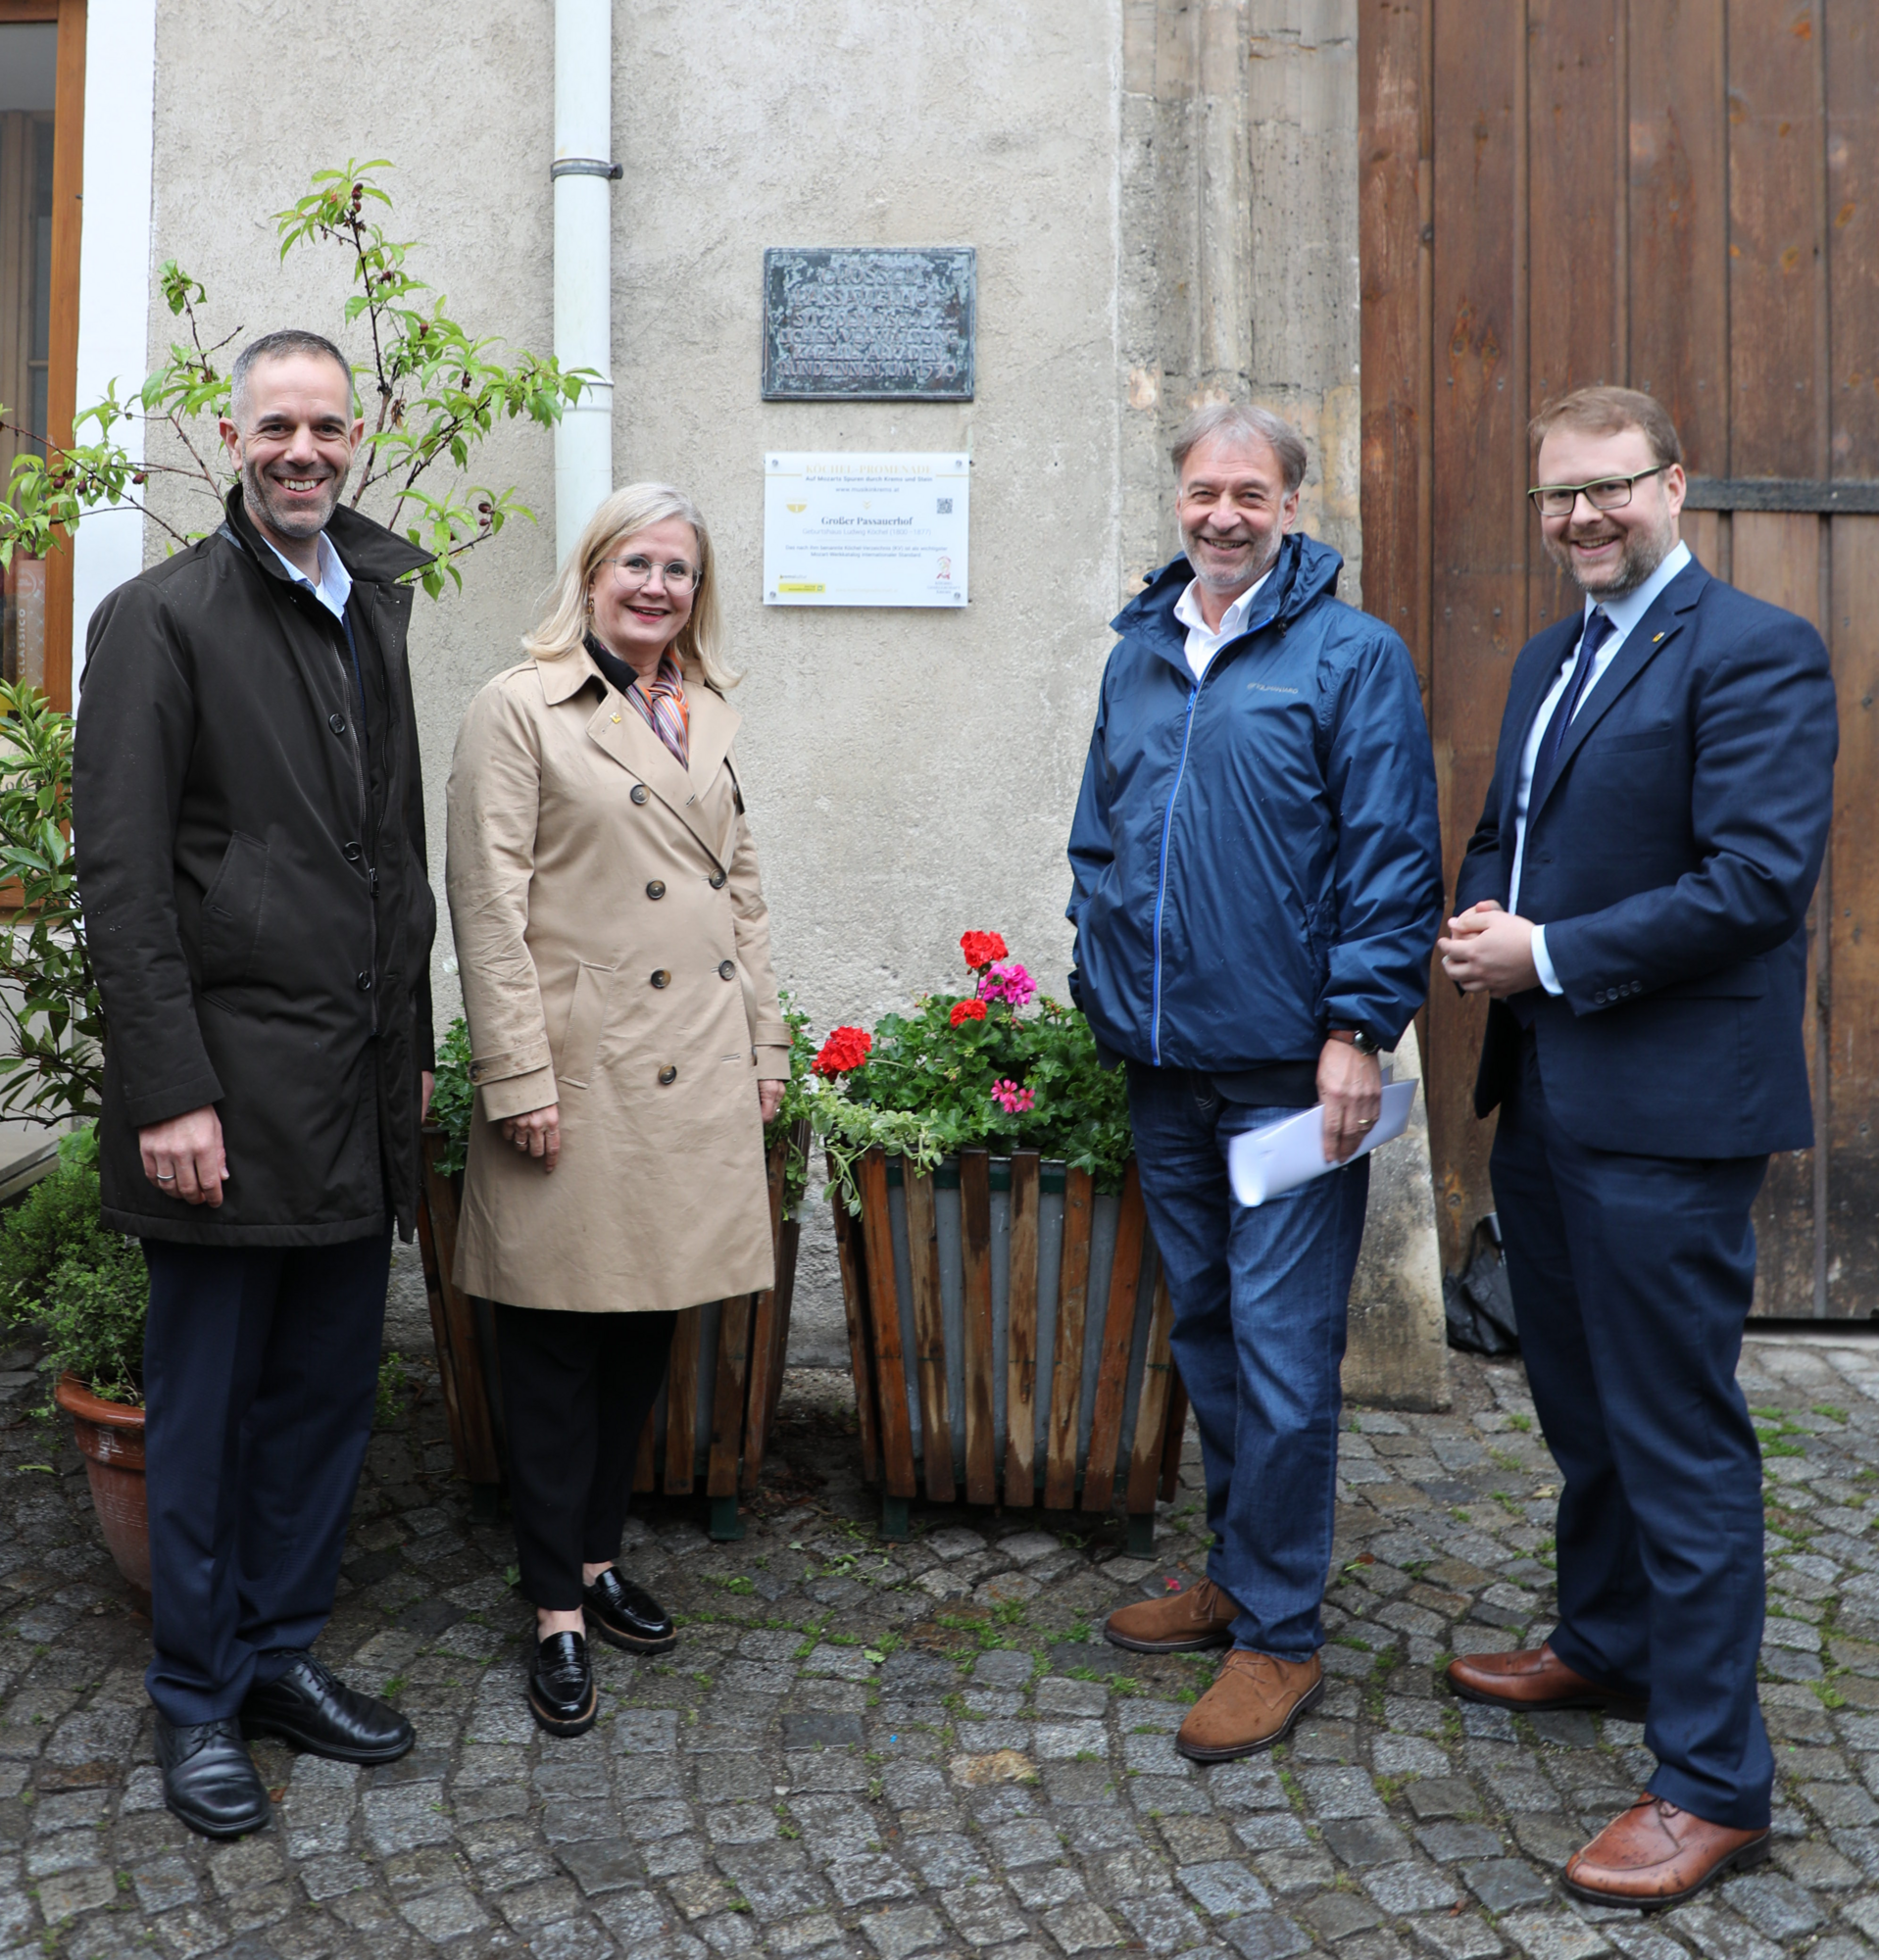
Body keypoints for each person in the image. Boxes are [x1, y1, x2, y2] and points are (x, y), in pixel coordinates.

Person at [1438, 386, 1837, 1907]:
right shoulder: (1554, 655)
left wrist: (1542, 955)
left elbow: (1753, 884)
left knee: (1675, 1433)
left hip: (1668, 1113)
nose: (1583, 519)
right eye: (1558, 498)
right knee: (1579, 1399)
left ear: (1676, 487)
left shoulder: (1754, 652)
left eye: (1612, 490)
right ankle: (1603, 1643)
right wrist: (1484, 917)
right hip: (1547, 1094)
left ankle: (1713, 1780)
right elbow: (1508, 832)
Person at [73, 330, 436, 1838]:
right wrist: (169, 1092)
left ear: (357, 437)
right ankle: (196, 1698)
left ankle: (281, 1654)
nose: (303, 449)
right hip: (221, 1091)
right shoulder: (159, 617)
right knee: (210, 1412)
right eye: (276, 425)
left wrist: (408, 1063)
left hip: (350, 1089)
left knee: (320, 1403)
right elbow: (125, 876)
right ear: (232, 437)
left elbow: (391, 861)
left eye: (327, 426)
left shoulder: (373, 604)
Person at [1066, 402, 1442, 1760]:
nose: (1221, 514)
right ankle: (1239, 1566)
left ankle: (1279, 1636)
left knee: (1284, 1355)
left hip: (1292, 1073)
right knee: (1211, 1334)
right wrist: (1094, 977)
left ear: (1293, 505)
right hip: (1165, 1068)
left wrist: (1359, 1029)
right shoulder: (1141, 653)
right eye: (1201, 491)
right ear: (1177, 500)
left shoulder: (1349, 655)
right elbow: (1098, 835)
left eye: (1249, 493)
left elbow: (1392, 856)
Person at [446, 482, 788, 1739]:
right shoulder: (519, 708)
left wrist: (766, 1044)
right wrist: (518, 1076)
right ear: (591, 573)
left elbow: (742, 898)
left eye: (680, 571)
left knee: (645, 1321)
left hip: (690, 1061)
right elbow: (485, 904)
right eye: (635, 564)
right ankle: (554, 1611)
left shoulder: (702, 712)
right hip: (581, 1068)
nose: (657, 588)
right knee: (551, 1340)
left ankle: (596, 1555)